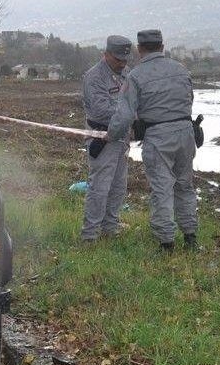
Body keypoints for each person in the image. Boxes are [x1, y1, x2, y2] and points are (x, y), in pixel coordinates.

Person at [107, 29, 198, 252]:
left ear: (139, 50)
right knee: (185, 185)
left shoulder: (135, 76)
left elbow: (125, 114)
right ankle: (191, 238)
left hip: (158, 137)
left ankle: (166, 243)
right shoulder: (181, 69)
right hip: (186, 133)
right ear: (162, 46)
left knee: (162, 189)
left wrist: (112, 134)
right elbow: (189, 99)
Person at [80, 35, 133, 242]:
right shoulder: (94, 77)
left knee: (118, 186)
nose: (122, 63)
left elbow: (133, 100)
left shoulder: (126, 75)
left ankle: (110, 227)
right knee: (99, 187)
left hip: (121, 137)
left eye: (125, 60)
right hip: (101, 137)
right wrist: (130, 112)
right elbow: (101, 109)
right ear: (106, 54)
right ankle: (90, 234)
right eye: (118, 59)